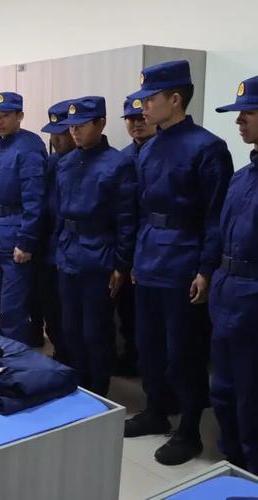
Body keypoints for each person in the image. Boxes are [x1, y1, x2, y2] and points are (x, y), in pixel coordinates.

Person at [124, 60, 234, 466]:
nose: (143, 107)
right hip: (150, 258)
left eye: (150, 99)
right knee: (148, 345)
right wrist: (136, 257)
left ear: (175, 99)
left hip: (184, 261)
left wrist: (206, 269)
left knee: (184, 351)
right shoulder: (149, 148)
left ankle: (189, 429)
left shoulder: (208, 148)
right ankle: (156, 410)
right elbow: (141, 210)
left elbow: (215, 216)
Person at [55, 96, 136, 397]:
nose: (74, 131)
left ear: (101, 123)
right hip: (68, 253)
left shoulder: (118, 164)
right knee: (70, 327)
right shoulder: (65, 163)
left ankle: (99, 390)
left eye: (82, 125)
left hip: (99, 254)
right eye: (71, 126)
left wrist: (121, 264)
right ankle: (78, 385)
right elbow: (59, 213)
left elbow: (126, 219)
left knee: (96, 330)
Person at [210, 75, 258, 474]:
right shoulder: (242, 177)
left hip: (253, 299)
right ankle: (232, 466)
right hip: (226, 290)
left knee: (251, 393)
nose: (239, 121)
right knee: (223, 389)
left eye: (249, 113)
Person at [0, 92, 47, 346]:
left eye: (5, 116)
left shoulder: (28, 147)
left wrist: (26, 241)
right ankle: (8, 351)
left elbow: (35, 199)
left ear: (20, 116)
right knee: (2, 301)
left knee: (13, 308)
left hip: (17, 232)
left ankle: (16, 359)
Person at [31, 100, 75, 362]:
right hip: (48, 245)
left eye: (62, 133)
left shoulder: (83, 162)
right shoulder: (51, 163)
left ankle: (73, 355)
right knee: (50, 302)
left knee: (70, 307)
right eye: (53, 134)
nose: (56, 140)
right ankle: (60, 348)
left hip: (72, 245)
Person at [114, 97, 156, 376]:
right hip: (125, 243)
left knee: (154, 316)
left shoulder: (163, 152)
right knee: (126, 307)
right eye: (131, 119)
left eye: (141, 117)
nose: (136, 123)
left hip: (155, 244)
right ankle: (131, 356)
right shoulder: (122, 157)